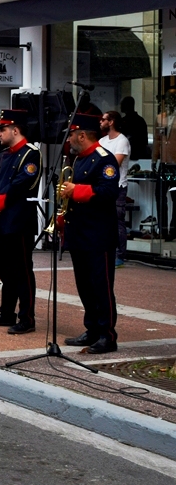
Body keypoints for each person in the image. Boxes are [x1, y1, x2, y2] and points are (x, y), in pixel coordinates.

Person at [60, 113, 121, 355]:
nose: (70, 140)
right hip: (79, 232)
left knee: (101, 286)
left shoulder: (103, 159)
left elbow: (108, 192)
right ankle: (92, 328)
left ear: (82, 135)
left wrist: (76, 191)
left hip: (98, 235)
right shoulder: (78, 160)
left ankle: (107, 334)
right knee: (84, 285)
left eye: (72, 135)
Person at [0, 109, 42, 335]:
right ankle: (7, 312)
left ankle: (27, 317)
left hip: (19, 221)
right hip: (2, 220)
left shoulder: (30, 154)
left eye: (2, 129)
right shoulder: (4, 153)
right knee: (5, 270)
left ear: (15, 130)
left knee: (23, 271)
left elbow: (19, 186)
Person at [99, 111, 131, 267]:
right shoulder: (102, 140)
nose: (100, 122)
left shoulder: (122, 141)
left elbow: (114, 164)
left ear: (111, 122)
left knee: (118, 221)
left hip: (118, 186)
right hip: (103, 186)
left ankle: (120, 255)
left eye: (103, 120)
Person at [120, 96, 148, 160]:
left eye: (122, 104)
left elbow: (143, 140)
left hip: (134, 153)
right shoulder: (140, 120)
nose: (120, 106)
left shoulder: (137, 121)